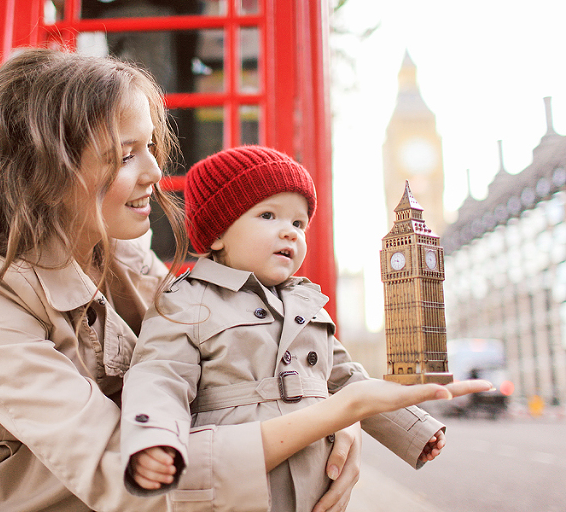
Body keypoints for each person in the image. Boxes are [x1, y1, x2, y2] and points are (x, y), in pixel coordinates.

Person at [0, 48, 488, 512]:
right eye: (123, 155)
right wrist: (337, 412)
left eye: (150, 147)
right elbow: (129, 477)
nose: (156, 172)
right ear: (47, 174)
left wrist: (331, 416)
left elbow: (225, 353)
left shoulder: (126, 256)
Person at [121, 146, 492, 511]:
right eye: (268, 216)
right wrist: (154, 439)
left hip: (316, 489)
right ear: (217, 234)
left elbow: (350, 380)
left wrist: (414, 429)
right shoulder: (187, 301)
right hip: (242, 487)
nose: (290, 233)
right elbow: (159, 376)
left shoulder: (308, 305)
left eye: (298, 223)